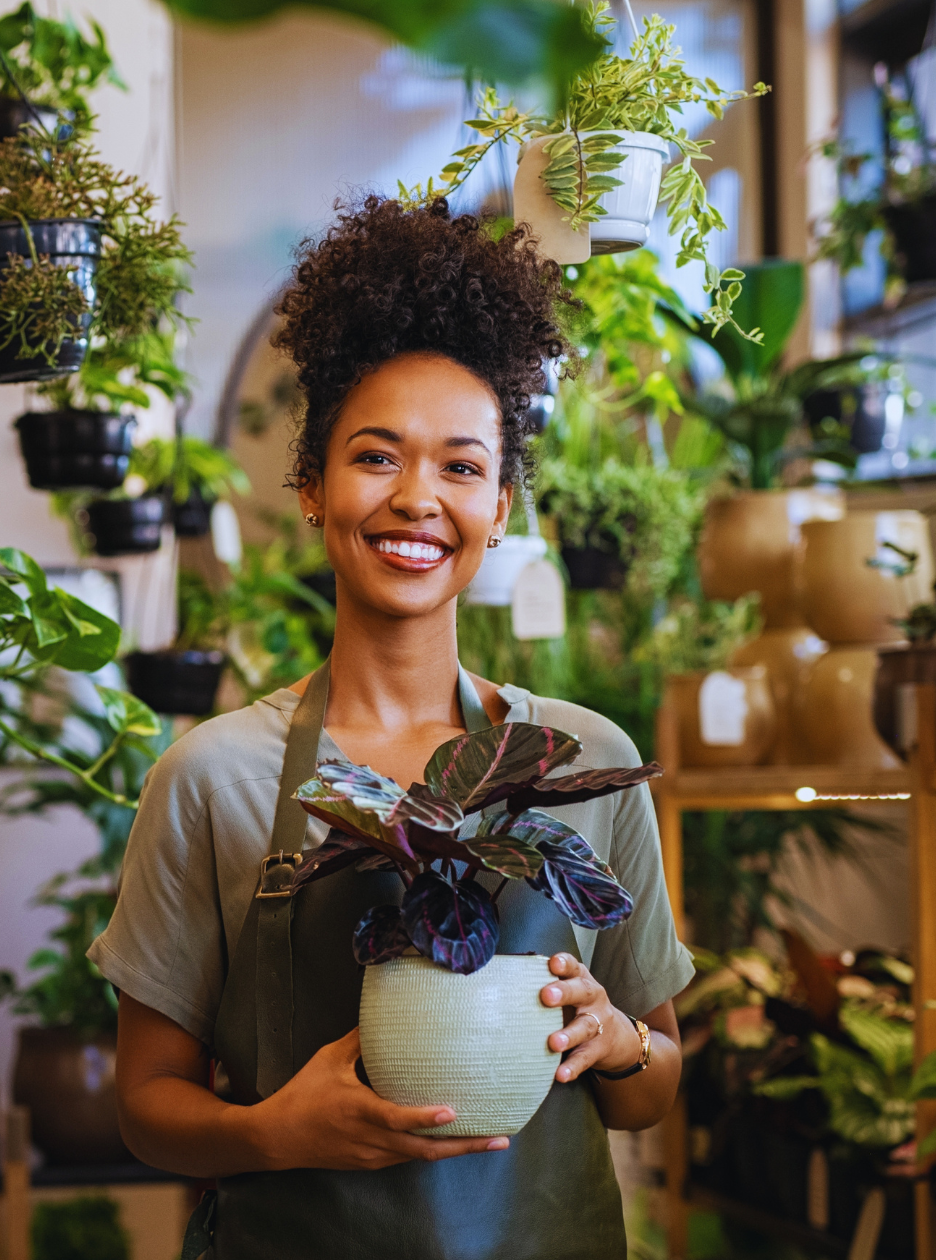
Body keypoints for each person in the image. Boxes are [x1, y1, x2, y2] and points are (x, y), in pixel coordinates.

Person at [87, 196, 691, 1259]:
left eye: (460, 466)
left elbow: (651, 1095)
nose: (417, 498)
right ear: (313, 487)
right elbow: (145, 1104)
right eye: (376, 457)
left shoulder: (583, 763)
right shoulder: (212, 778)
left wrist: (618, 1041)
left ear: (499, 506)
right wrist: (271, 1133)